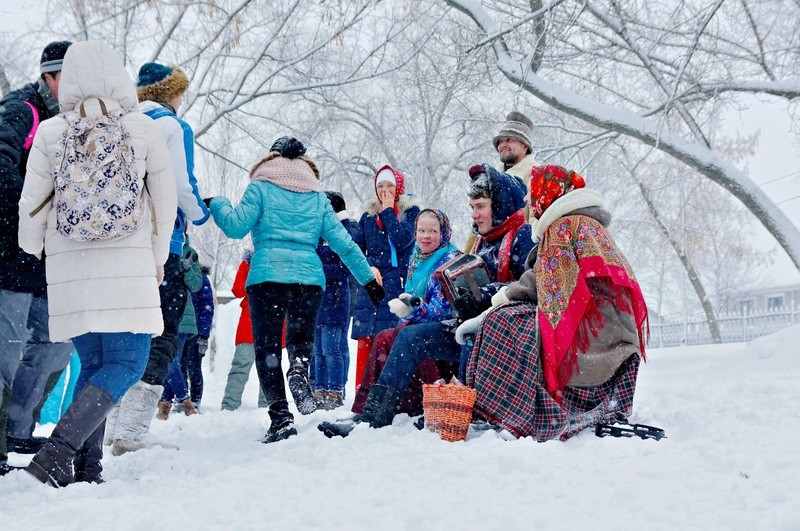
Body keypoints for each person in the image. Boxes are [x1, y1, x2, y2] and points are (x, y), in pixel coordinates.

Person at [17, 40, 177, 486]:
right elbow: (164, 206)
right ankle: (56, 454)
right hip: (128, 267)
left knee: (93, 364)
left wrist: (33, 248)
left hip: (72, 268)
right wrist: (158, 257)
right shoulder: (141, 128)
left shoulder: (51, 132)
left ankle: (87, 467)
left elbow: (32, 206)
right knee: (127, 364)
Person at [319, 164, 534, 438]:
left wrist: (486, 294)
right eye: (472, 207)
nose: (474, 214)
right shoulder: (485, 240)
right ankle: (370, 415)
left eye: (480, 206)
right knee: (405, 336)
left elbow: (529, 284)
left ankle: (386, 416)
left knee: (406, 335)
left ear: (500, 206)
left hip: (495, 333)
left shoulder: (521, 236)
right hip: (467, 326)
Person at [206, 136, 384, 443]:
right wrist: (369, 282)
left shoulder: (260, 187)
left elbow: (235, 226)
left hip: (267, 278)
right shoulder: (317, 198)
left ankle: (280, 418)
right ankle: (299, 370)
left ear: (271, 159)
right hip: (308, 280)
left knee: (268, 348)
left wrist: (218, 203)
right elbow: (344, 244)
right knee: (301, 341)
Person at [461, 165, 649, 441]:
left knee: (502, 322)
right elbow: (548, 279)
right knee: (508, 317)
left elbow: (547, 283)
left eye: (532, 194)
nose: (527, 201)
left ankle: (512, 410)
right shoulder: (581, 222)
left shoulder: (564, 226)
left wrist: (498, 301)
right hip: (610, 334)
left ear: (546, 194)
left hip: (594, 339)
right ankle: (507, 407)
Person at [107, 60, 211, 456]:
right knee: (164, 333)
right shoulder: (171, 125)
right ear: (171, 92)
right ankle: (131, 432)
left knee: (126, 335)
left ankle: (110, 427)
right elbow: (181, 184)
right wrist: (201, 212)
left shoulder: (122, 122)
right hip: (161, 242)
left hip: (120, 245)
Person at [0, 41, 76, 473]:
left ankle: (18, 430)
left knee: (55, 346)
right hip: (10, 254)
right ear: (50, 76)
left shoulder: (71, 122)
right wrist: (38, 207)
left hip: (48, 259)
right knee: (6, 351)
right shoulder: (22, 110)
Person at [350, 208, 460, 416]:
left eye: (433, 231)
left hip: (446, 330)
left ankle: (422, 400)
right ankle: (366, 407)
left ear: (444, 233)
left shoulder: (449, 260)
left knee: (409, 335)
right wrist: (407, 308)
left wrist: (414, 308)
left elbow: (443, 311)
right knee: (383, 337)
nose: (426, 236)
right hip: (420, 322)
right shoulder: (416, 258)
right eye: (421, 230)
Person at [350, 165, 420, 393]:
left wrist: (389, 211)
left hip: (397, 285)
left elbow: (403, 240)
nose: (384, 191)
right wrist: (367, 267)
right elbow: (356, 249)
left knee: (390, 340)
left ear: (399, 187)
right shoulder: (367, 216)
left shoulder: (411, 213)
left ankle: (386, 394)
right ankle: (361, 396)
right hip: (371, 286)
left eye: (390, 185)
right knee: (366, 342)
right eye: (380, 186)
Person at [463, 110, 537, 253]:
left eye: (509, 140)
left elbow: (536, 224)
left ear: (524, 145)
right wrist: (466, 254)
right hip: (489, 252)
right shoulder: (489, 179)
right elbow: (478, 227)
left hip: (516, 253)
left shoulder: (535, 178)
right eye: (500, 141)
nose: (502, 145)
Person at [311, 192, 355, 410]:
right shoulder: (319, 231)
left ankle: (335, 390)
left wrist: (319, 269)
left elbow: (345, 267)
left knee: (332, 348)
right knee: (317, 349)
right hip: (318, 299)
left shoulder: (344, 230)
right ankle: (319, 389)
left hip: (336, 299)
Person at [157, 238, 202, 419]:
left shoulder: (188, 252)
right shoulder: (156, 245)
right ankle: (168, 402)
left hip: (182, 315)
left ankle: (183, 400)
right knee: (166, 359)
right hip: (159, 311)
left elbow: (196, 284)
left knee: (170, 359)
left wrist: (187, 269)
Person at [220, 251, 267, 411]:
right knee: (249, 366)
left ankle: (267, 407)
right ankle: (230, 407)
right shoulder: (250, 260)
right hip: (253, 321)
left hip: (265, 320)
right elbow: (237, 289)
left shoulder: (252, 260)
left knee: (268, 367)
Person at [183, 264, 214, 408]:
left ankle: (195, 400)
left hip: (196, 331)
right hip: (180, 329)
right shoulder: (178, 275)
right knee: (179, 365)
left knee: (193, 366)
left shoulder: (201, 278)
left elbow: (207, 308)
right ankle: (183, 398)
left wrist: (203, 334)